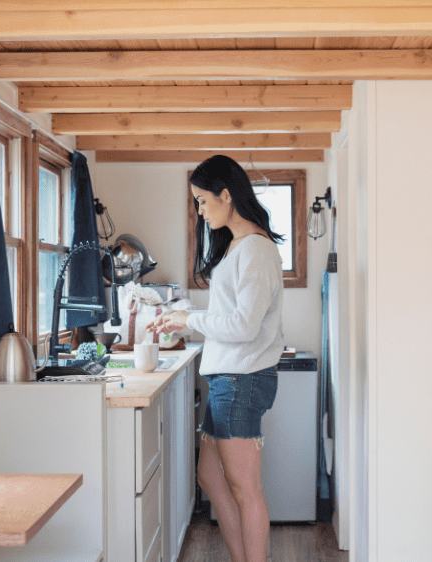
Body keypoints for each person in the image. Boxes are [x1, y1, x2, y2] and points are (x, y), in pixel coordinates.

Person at [146, 154, 284, 562]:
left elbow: (243, 326)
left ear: (227, 194)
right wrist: (183, 322)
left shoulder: (256, 251)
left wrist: (190, 317)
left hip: (242, 381)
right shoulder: (238, 247)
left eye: (203, 201)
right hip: (228, 378)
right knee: (209, 475)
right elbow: (232, 320)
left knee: (245, 487)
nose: (200, 212)